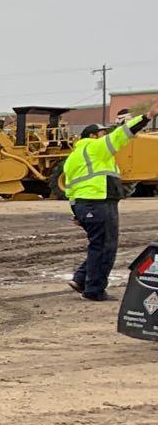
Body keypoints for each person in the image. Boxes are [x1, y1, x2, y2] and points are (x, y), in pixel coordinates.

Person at [63, 111, 149, 300]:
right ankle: (94, 291)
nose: (105, 136)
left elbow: (69, 190)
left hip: (84, 205)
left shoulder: (73, 158)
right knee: (105, 247)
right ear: (92, 136)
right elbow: (121, 134)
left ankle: (81, 279)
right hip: (100, 202)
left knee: (98, 245)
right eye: (102, 133)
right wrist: (146, 116)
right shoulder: (95, 147)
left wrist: (77, 212)